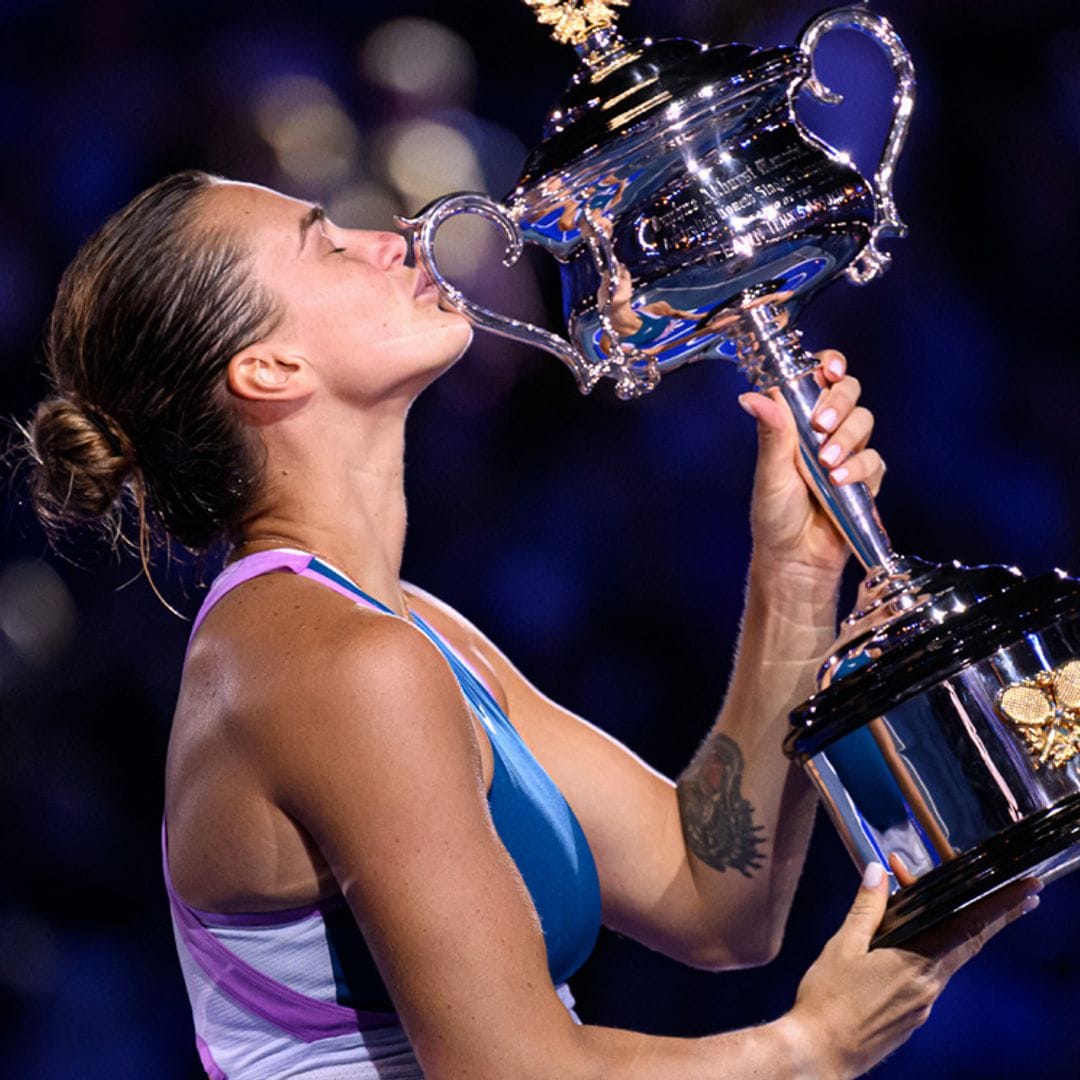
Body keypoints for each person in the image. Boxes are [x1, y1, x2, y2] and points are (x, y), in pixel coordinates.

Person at [22, 170, 1039, 1079]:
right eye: (330, 242)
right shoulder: (334, 663)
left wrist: (794, 573)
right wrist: (808, 1050)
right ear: (269, 371)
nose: (397, 237)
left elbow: (711, 896)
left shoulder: (406, 628)